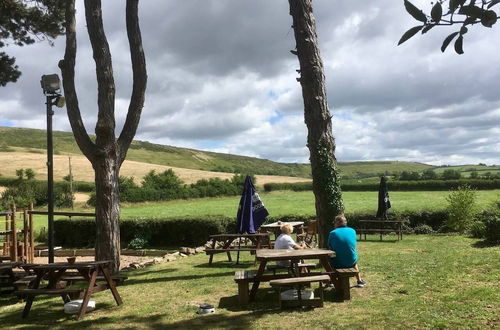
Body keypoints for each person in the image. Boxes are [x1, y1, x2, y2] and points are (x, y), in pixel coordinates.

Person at [328, 214, 366, 287]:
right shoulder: (352, 231)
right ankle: (359, 280)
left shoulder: (332, 233)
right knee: (354, 260)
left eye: (334, 223)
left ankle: (332, 280)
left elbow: (330, 247)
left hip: (337, 262)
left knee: (331, 258)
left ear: (337, 223)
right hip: (351, 261)